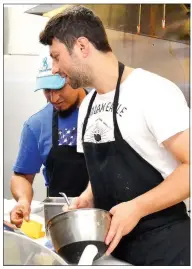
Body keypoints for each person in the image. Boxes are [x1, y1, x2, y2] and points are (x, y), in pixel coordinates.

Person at [39, 6, 190, 266]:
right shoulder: (88, 105)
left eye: (56, 56)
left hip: (166, 247)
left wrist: (138, 207)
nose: (54, 68)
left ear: (82, 47)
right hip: (114, 248)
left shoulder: (152, 91)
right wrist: (88, 196)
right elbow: (104, 169)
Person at [10, 48, 89, 227]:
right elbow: (22, 175)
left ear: (75, 77)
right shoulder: (36, 125)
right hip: (62, 219)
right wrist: (23, 200)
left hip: (109, 216)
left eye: (58, 87)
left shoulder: (105, 110)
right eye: (47, 90)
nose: (53, 98)